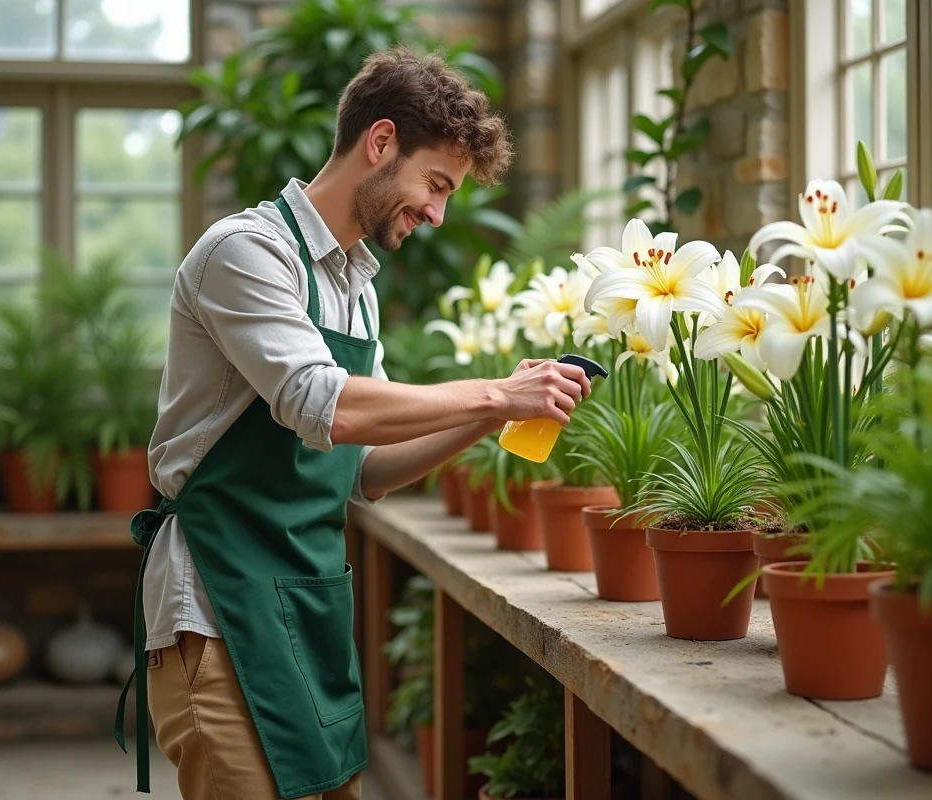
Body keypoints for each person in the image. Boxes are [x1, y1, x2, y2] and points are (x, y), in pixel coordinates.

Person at [113, 46, 593, 800]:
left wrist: (492, 416)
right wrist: (496, 395)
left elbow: (363, 469)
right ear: (379, 143)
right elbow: (324, 404)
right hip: (218, 616)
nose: (437, 213)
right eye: (435, 184)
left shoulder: (357, 288)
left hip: (308, 614)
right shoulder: (247, 252)